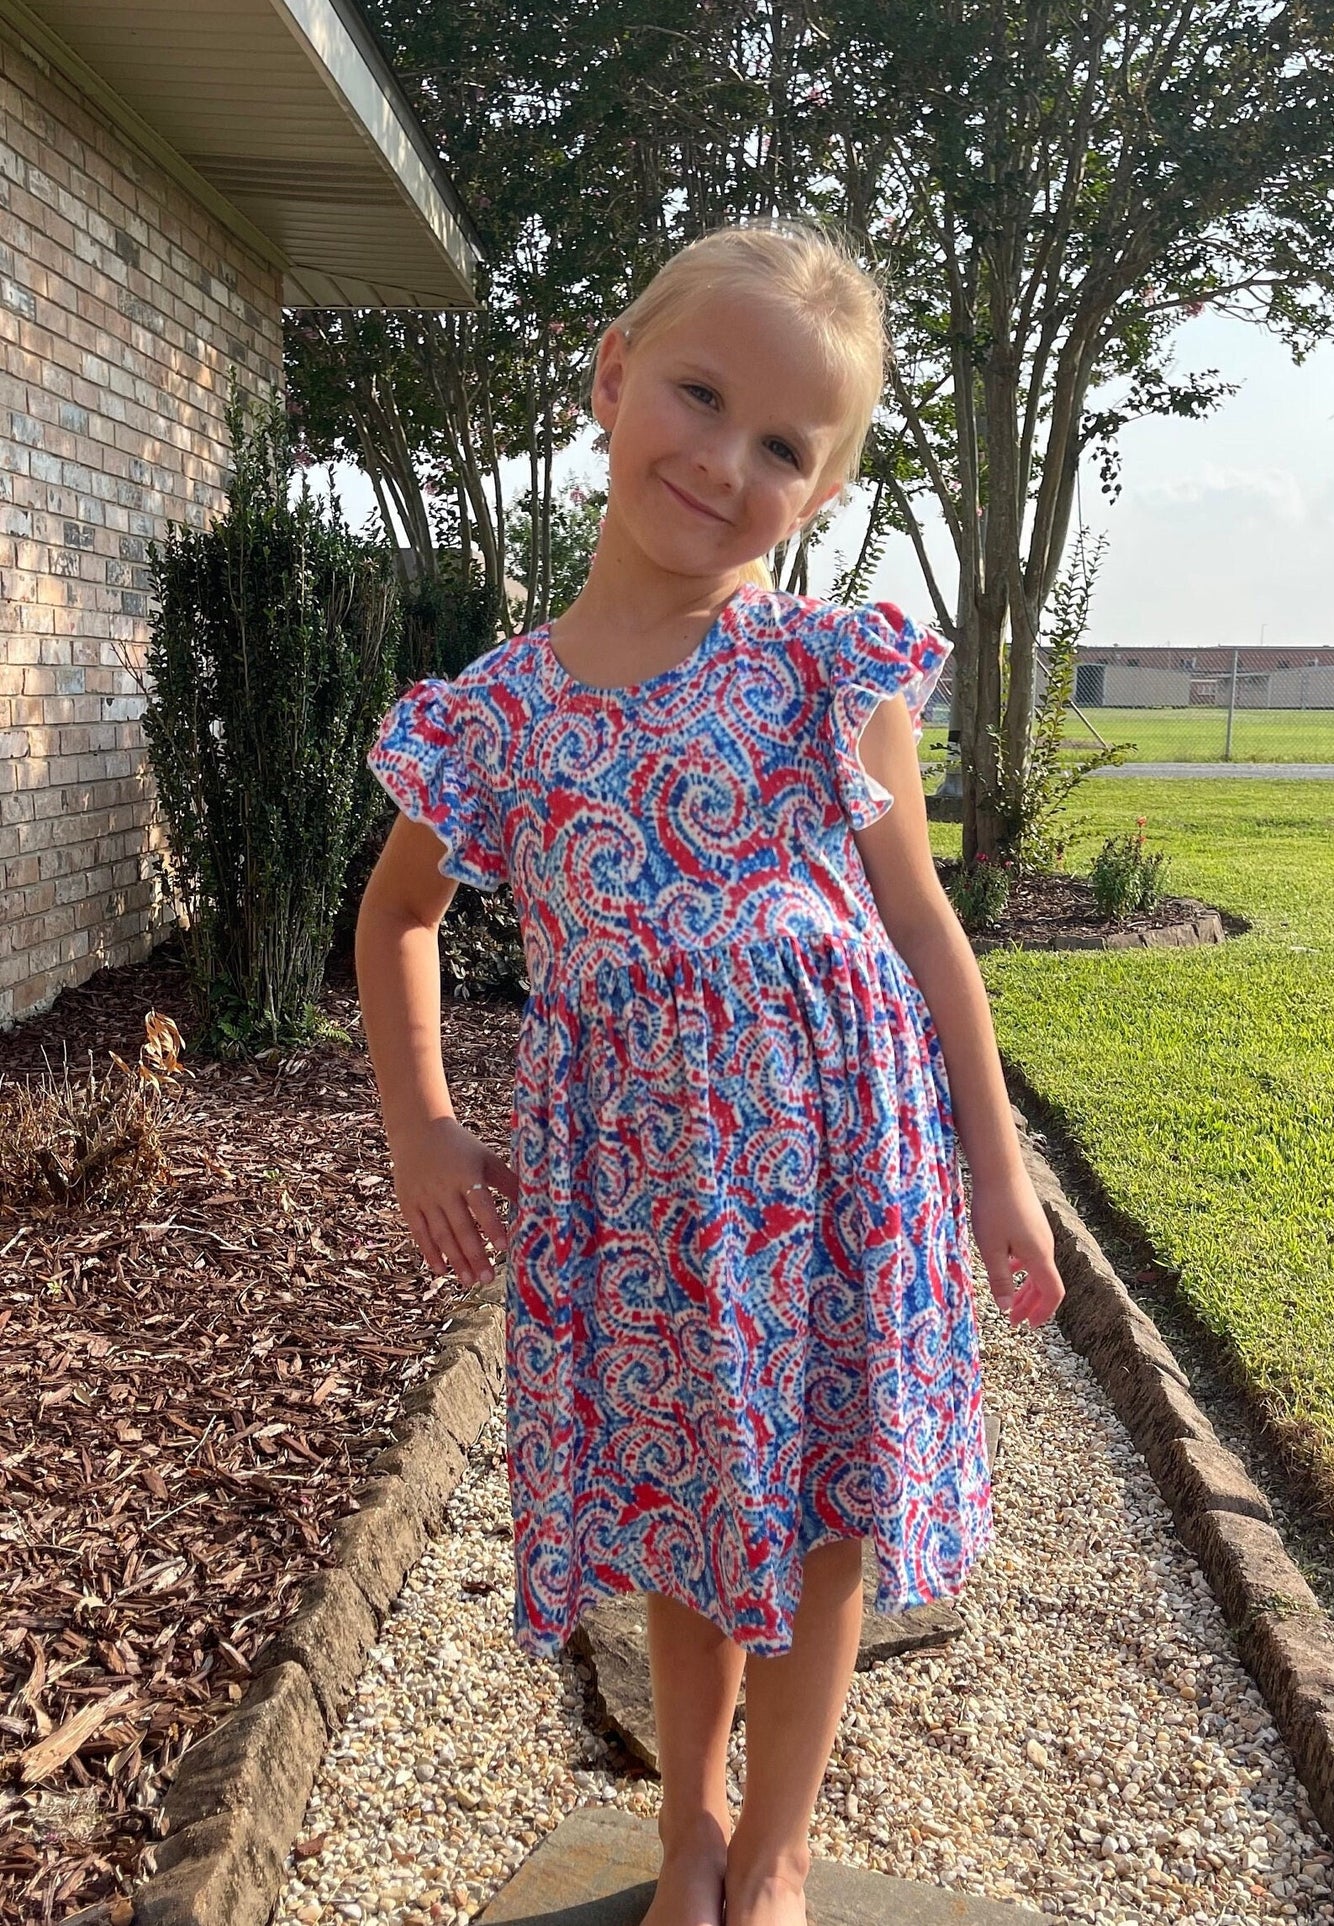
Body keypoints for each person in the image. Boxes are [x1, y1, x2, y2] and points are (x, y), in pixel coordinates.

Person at [355, 217, 1066, 1926]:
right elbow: (394, 919)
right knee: (681, 1526)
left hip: (844, 1175)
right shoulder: (499, 718)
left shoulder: (830, 672)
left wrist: (993, 1161)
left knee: (823, 1520)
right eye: (697, 393)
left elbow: (921, 928)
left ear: (814, 495)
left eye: (781, 448)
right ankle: (688, 1817)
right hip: (648, 1194)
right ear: (611, 378)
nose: (721, 459)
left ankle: (780, 1845)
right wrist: (426, 1128)